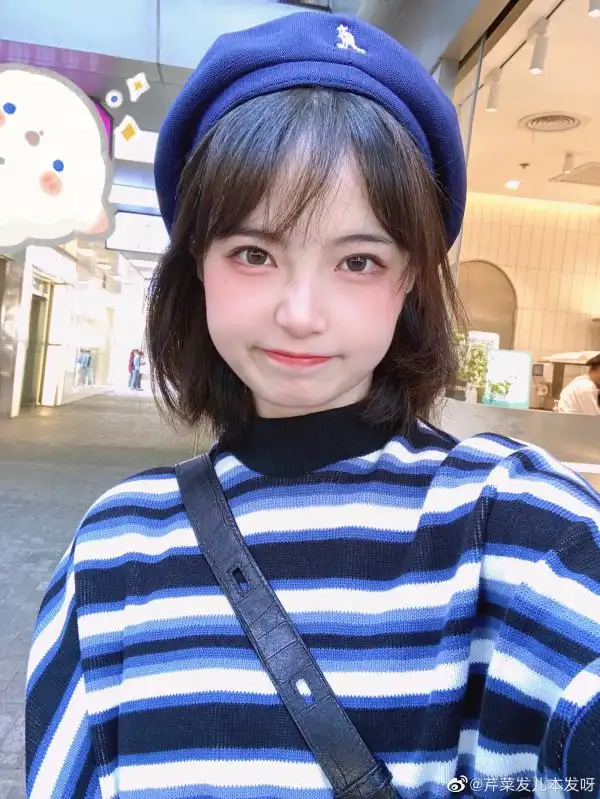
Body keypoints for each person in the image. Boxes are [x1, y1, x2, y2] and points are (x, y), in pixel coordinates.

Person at [25, 12, 600, 799]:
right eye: (253, 253)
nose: (301, 313)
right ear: (198, 264)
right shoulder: (114, 553)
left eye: (357, 261)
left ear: (409, 279)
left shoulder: (516, 528)